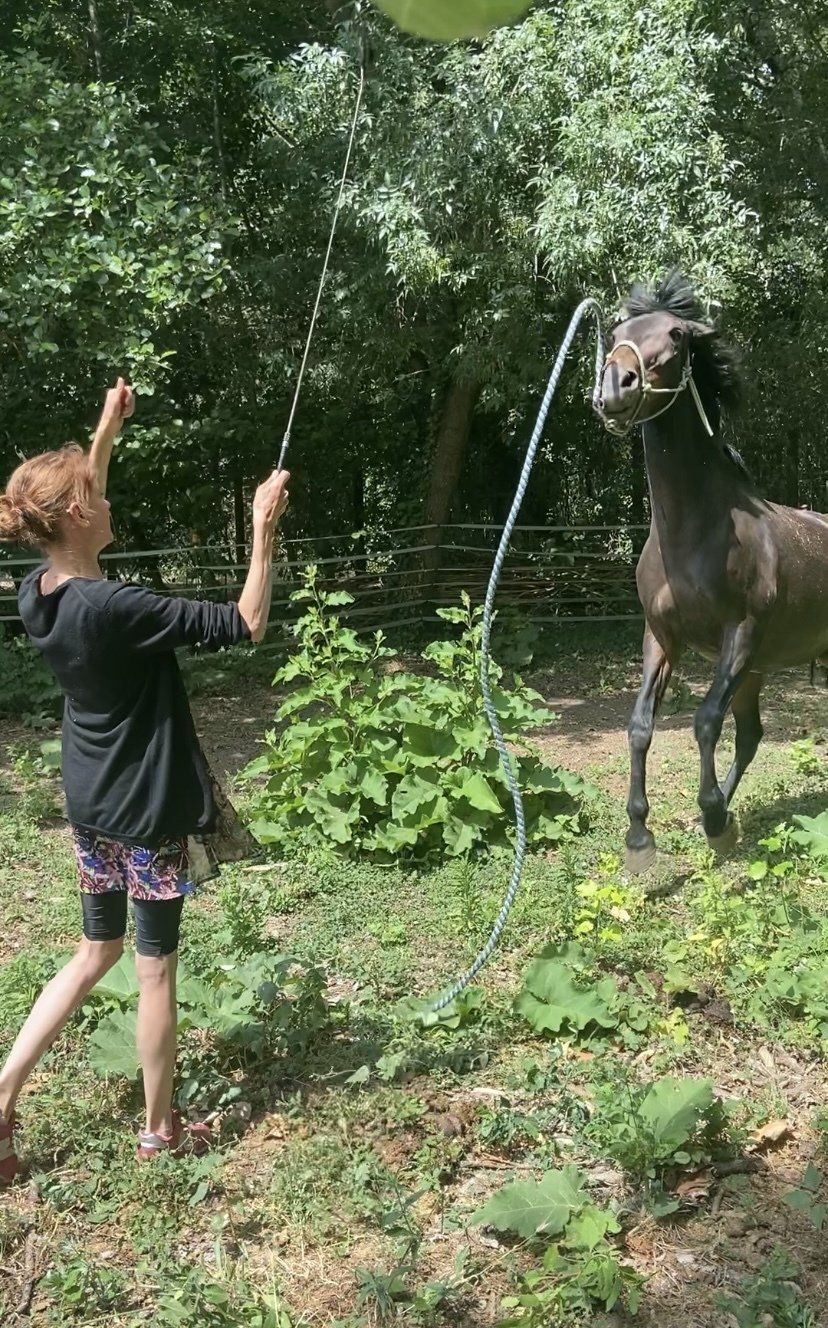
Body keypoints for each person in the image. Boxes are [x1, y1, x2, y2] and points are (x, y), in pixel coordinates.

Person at [0, 380, 290, 1182]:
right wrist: (263, 532)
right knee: (155, 965)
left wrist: (104, 429)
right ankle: (160, 1131)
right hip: (145, 810)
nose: (105, 498)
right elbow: (246, 622)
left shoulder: (42, 593)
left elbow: (75, 505)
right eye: (94, 494)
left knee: (96, 950)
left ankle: (1, 1095)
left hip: (91, 803)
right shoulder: (118, 607)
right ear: (75, 517)